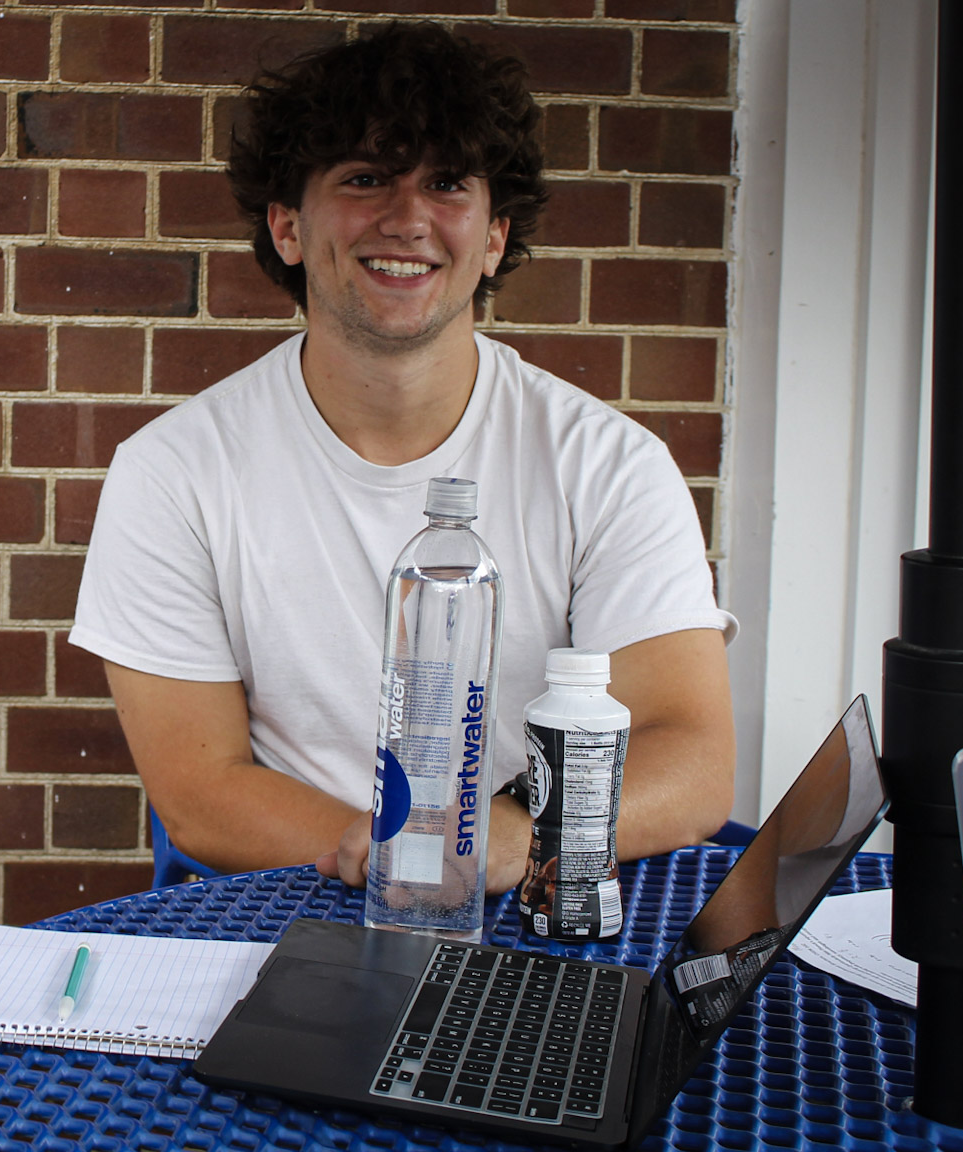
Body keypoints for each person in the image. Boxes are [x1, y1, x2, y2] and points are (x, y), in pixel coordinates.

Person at [69, 22, 736, 893]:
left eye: (448, 183)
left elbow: (691, 759)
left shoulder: (608, 465)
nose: (408, 217)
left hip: (533, 894)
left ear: (494, 237)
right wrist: (410, 861)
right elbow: (200, 791)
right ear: (287, 227)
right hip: (291, 901)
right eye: (365, 178)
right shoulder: (174, 471)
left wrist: (502, 844)